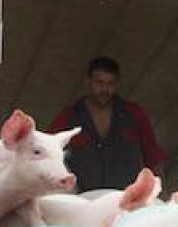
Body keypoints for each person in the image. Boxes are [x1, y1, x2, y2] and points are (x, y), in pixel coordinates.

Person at [49, 56, 166, 192]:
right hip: (83, 202)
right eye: (99, 83)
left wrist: (162, 195)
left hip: (128, 200)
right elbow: (47, 156)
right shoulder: (68, 117)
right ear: (88, 82)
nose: (105, 89)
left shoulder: (134, 113)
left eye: (110, 84)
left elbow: (153, 157)